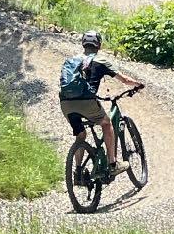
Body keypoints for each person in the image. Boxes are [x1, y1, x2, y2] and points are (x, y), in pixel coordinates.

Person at [58, 29, 144, 171]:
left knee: (80, 135)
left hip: (66, 103)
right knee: (106, 123)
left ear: (83, 44)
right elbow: (124, 80)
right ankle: (113, 164)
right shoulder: (100, 61)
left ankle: (78, 172)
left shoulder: (71, 60)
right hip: (87, 102)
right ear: (99, 45)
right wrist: (138, 84)